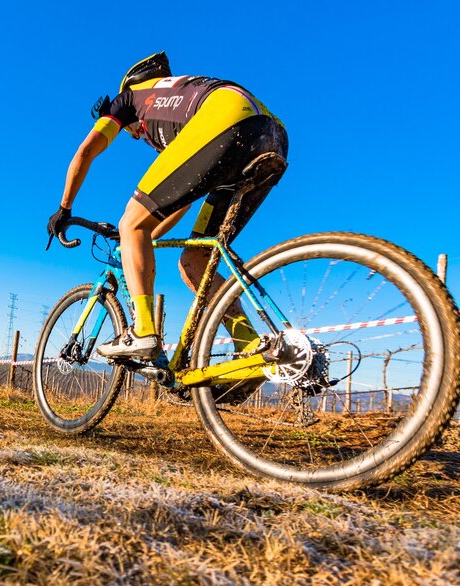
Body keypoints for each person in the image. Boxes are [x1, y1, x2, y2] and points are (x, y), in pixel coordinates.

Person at [48, 52, 288, 361]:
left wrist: (64, 209)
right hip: (272, 133)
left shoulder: (128, 99)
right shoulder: (178, 94)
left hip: (225, 119)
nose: (135, 137)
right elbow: (181, 201)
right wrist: (139, 237)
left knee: (130, 221)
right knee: (196, 260)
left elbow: (85, 152)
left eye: (130, 132)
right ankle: (250, 348)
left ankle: (143, 331)